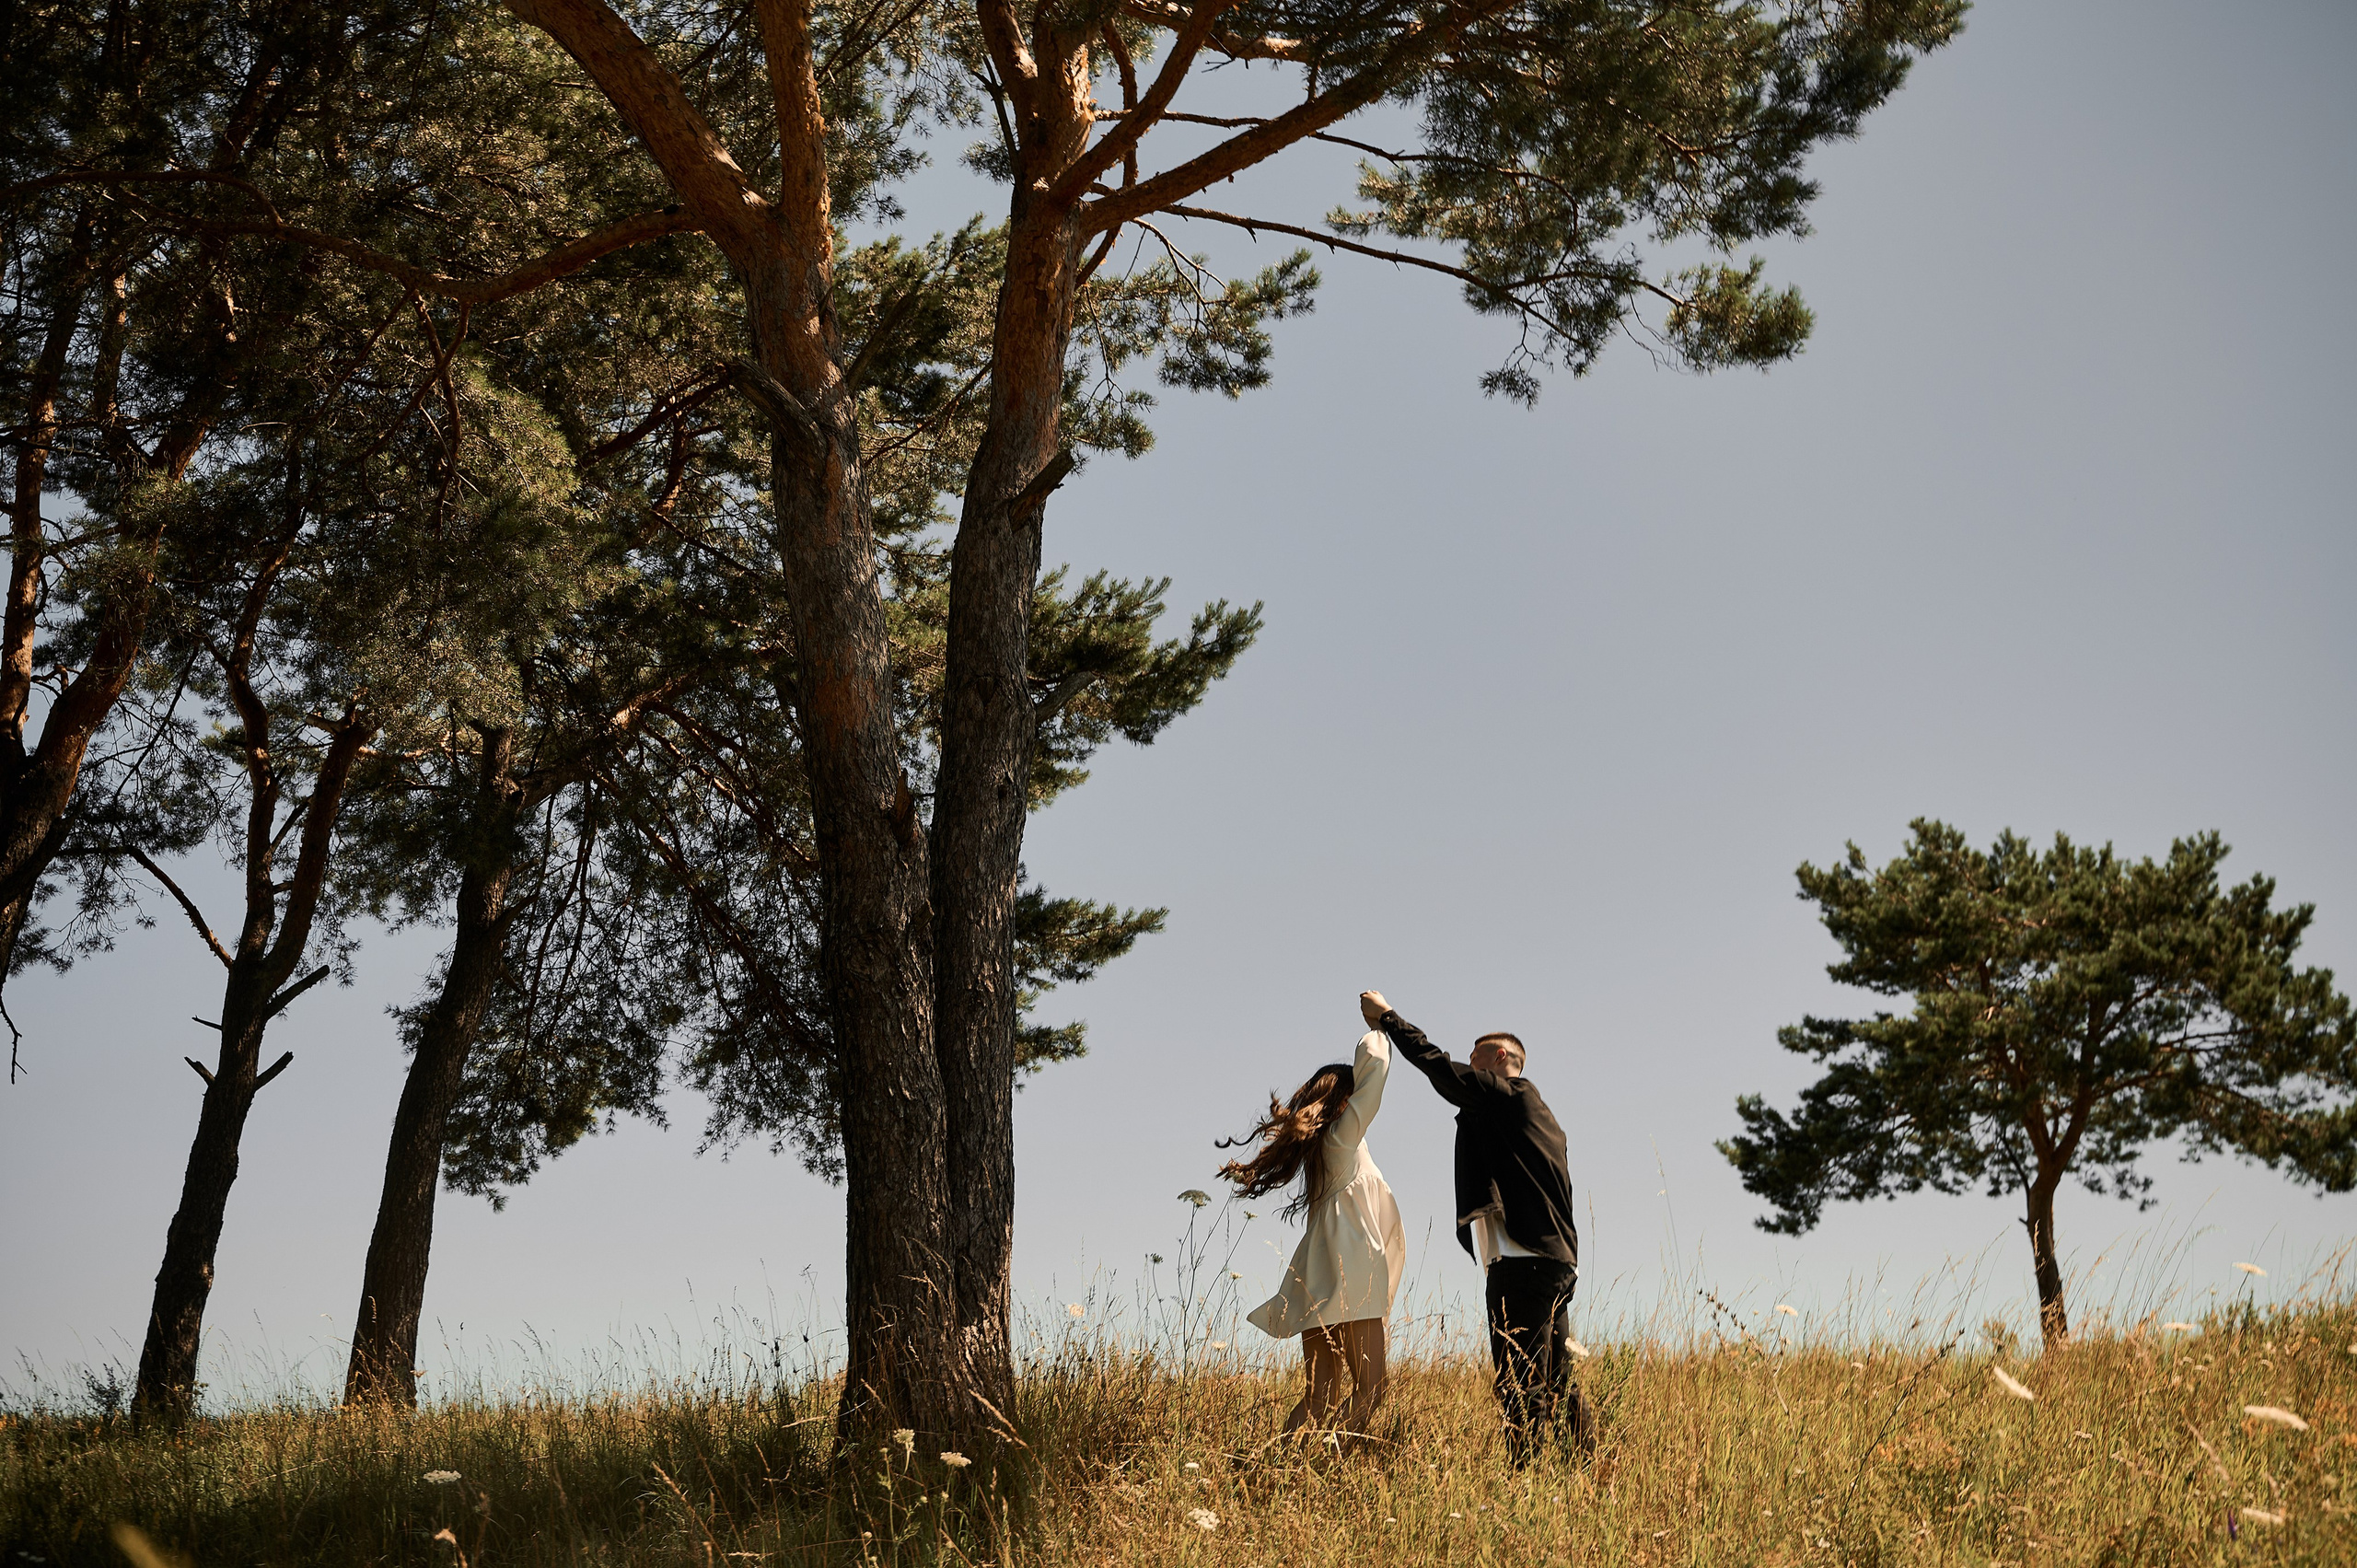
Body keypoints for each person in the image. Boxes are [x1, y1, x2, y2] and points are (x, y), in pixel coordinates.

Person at [1361, 989, 1594, 1462]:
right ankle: (1585, 1471)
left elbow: (1438, 1067)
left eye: (1476, 1057)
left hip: (1520, 1266)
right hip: (1555, 1264)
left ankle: (1527, 1483)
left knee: (1520, 1385)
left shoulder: (1507, 1096)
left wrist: (1387, 1018)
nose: (1469, 1064)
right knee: (1558, 1382)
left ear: (1501, 1058)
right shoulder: (1542, 1119)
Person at [1219, 1023, 1407, 1441]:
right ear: (1344, 1102)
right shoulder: (1342, 1139)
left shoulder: (1321, 1151)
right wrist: (1380, 1026)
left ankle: (1278, 1463)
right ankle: (1326, 1462)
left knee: (1319, 1397)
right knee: (1372, 1389)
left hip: (1317, 1276)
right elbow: (1376, 1069)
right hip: (1352, 1271)